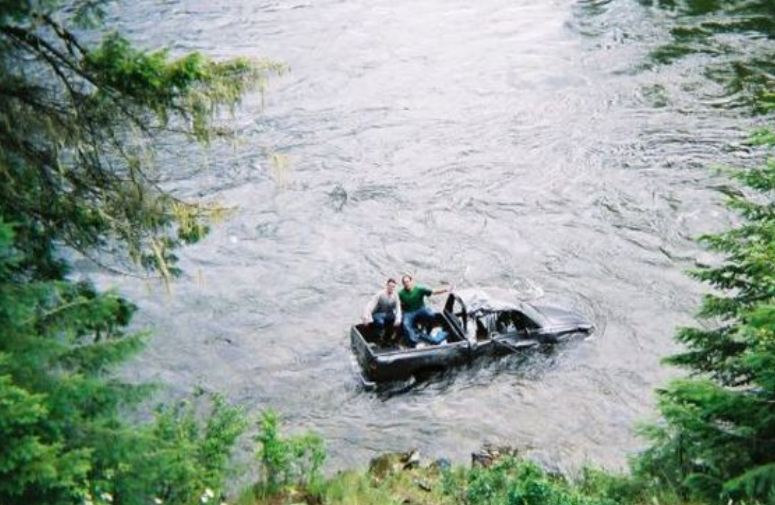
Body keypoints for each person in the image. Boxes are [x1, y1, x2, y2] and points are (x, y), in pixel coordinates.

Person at [398, 274, 453, 346]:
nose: (406, 284)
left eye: (408, 282)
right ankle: (415, 340)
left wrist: (446, 289)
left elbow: (433, 291)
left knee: (430, 314)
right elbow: (398, 305)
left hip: (420, 309)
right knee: (406, 324)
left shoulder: (419, 289)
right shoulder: (401, 293)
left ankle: (430, 329)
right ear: (403, 284)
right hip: (409, 312)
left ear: (411, 281)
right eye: (404, 283)